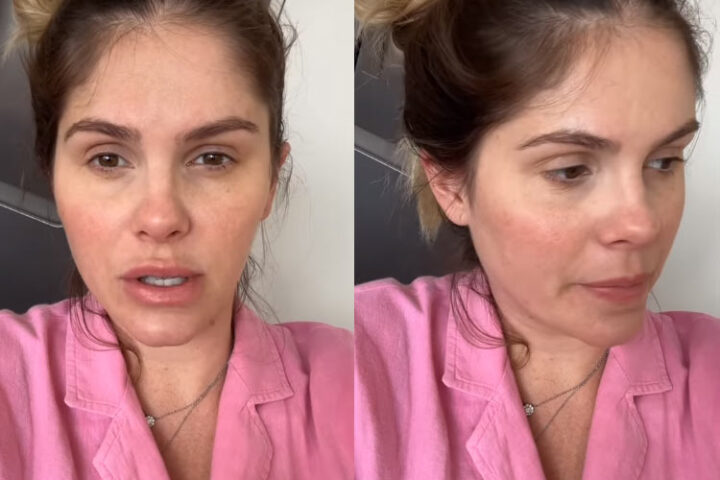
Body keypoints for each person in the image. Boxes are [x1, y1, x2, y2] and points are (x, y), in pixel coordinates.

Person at [354, 0, 720, 479]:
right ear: (450, 185)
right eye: (570, 170)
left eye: (664, 161)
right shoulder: (360, 360)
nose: (643, 225)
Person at [0, 1, 352, 479]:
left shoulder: (354, 383)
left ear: (271, 181)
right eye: (108, 159)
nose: (161, 218)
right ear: (53, 175)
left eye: (213, 158)